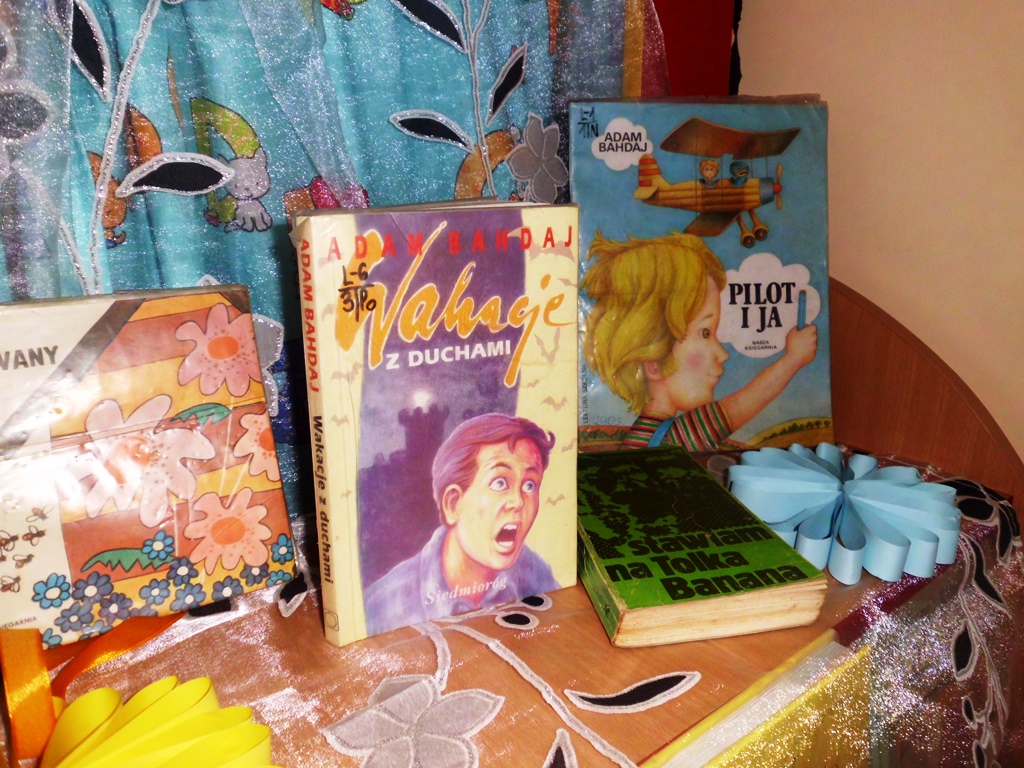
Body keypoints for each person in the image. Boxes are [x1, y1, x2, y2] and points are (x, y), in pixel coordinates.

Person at [582, 231, 817, 451]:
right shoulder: (672, 438)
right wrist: (793, 359)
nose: (723, 354)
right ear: (653, 363)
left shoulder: (643, 434)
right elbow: (740, 406)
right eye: (705, 333)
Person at [363, 413, 559, 634]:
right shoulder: (383, 607)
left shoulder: (535, 573)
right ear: (453, 504)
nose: (518, 501)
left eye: (530, 485)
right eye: (500, 482)